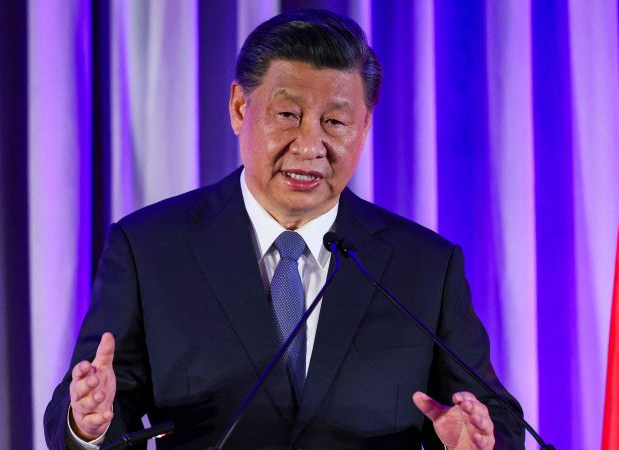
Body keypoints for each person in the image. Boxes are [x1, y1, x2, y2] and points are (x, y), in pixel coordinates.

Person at [44, 9, 525, 450]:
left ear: (364, 126)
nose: (309, 145)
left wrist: (478, 444)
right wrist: (89, 424)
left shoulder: (424, 265)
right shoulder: (150, 248)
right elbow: (94, 410)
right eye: (288, 115)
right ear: (239, 107)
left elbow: (495, 420)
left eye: (335, 121)